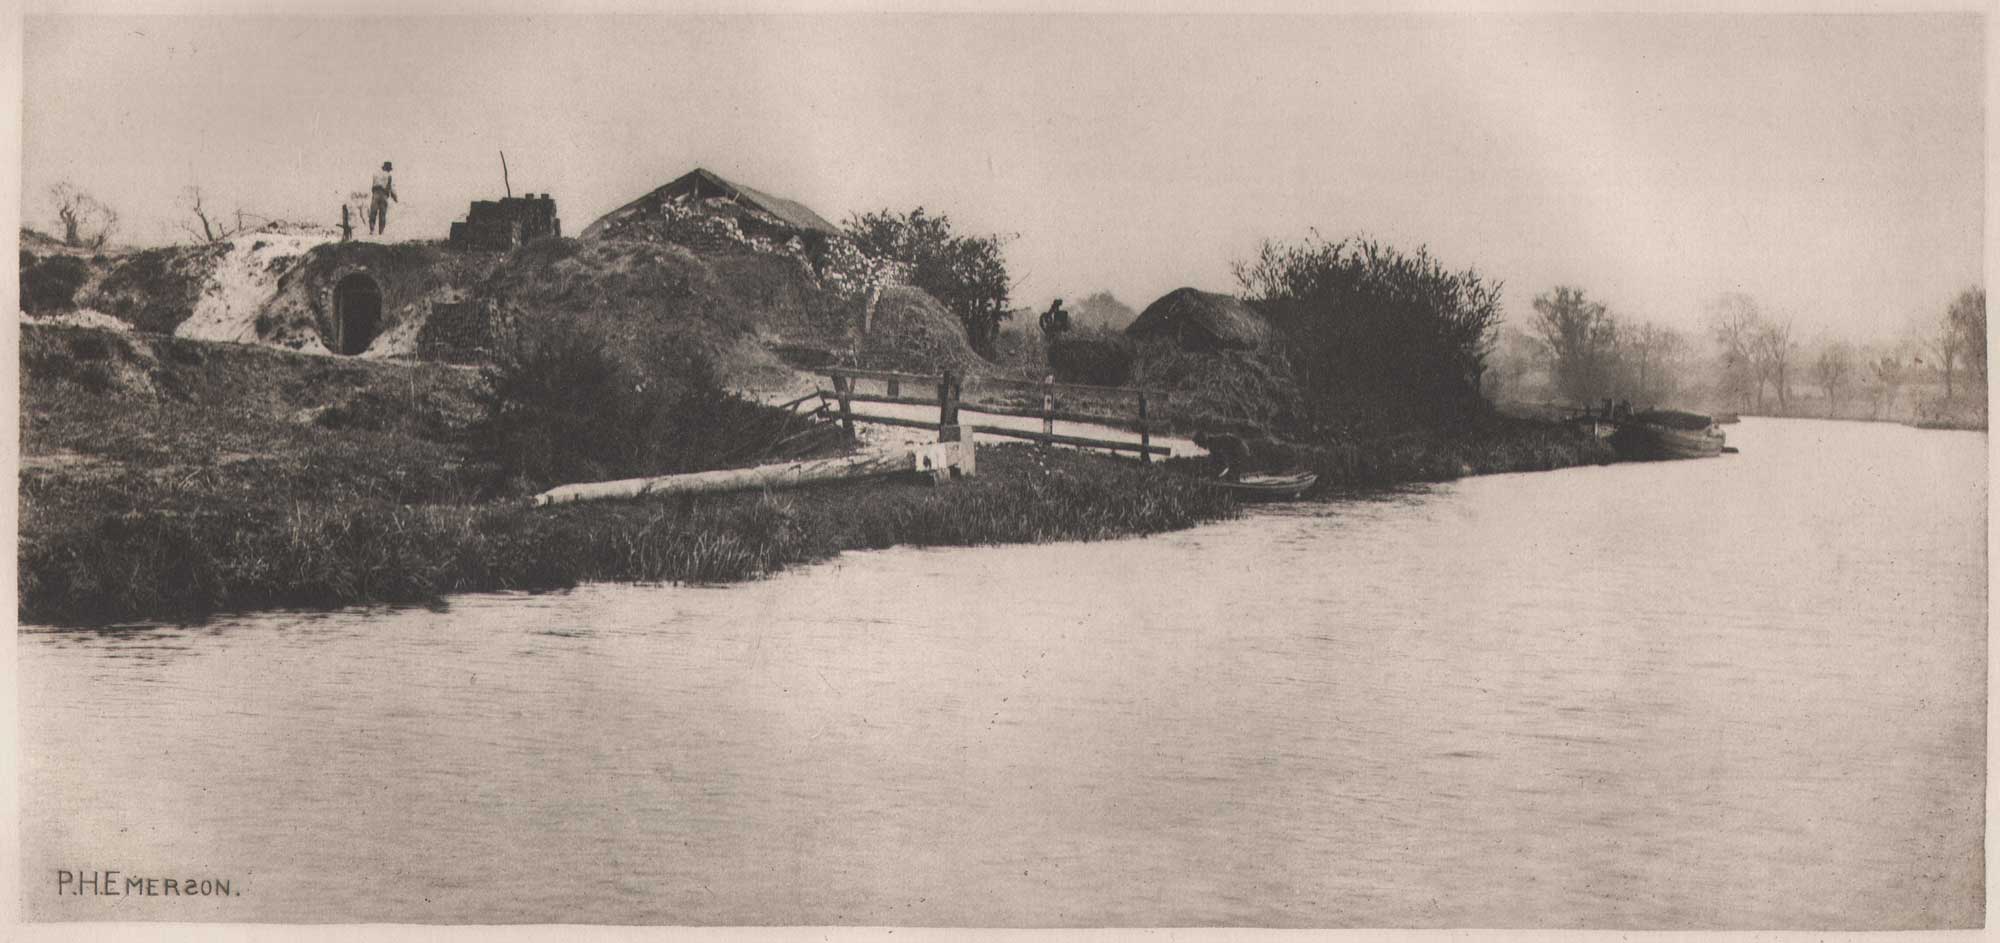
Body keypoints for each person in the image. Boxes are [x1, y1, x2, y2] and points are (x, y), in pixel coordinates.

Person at [367, 161, 397, 235]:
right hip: (383, 194)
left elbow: (373, 184)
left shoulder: (376, 174)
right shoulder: (389, 176)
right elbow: (390, 188)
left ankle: (372, 229)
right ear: (388, 168)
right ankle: (381, 231)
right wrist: (395, 197)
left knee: (373, 212)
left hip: (375, 193)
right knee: (382, 214)